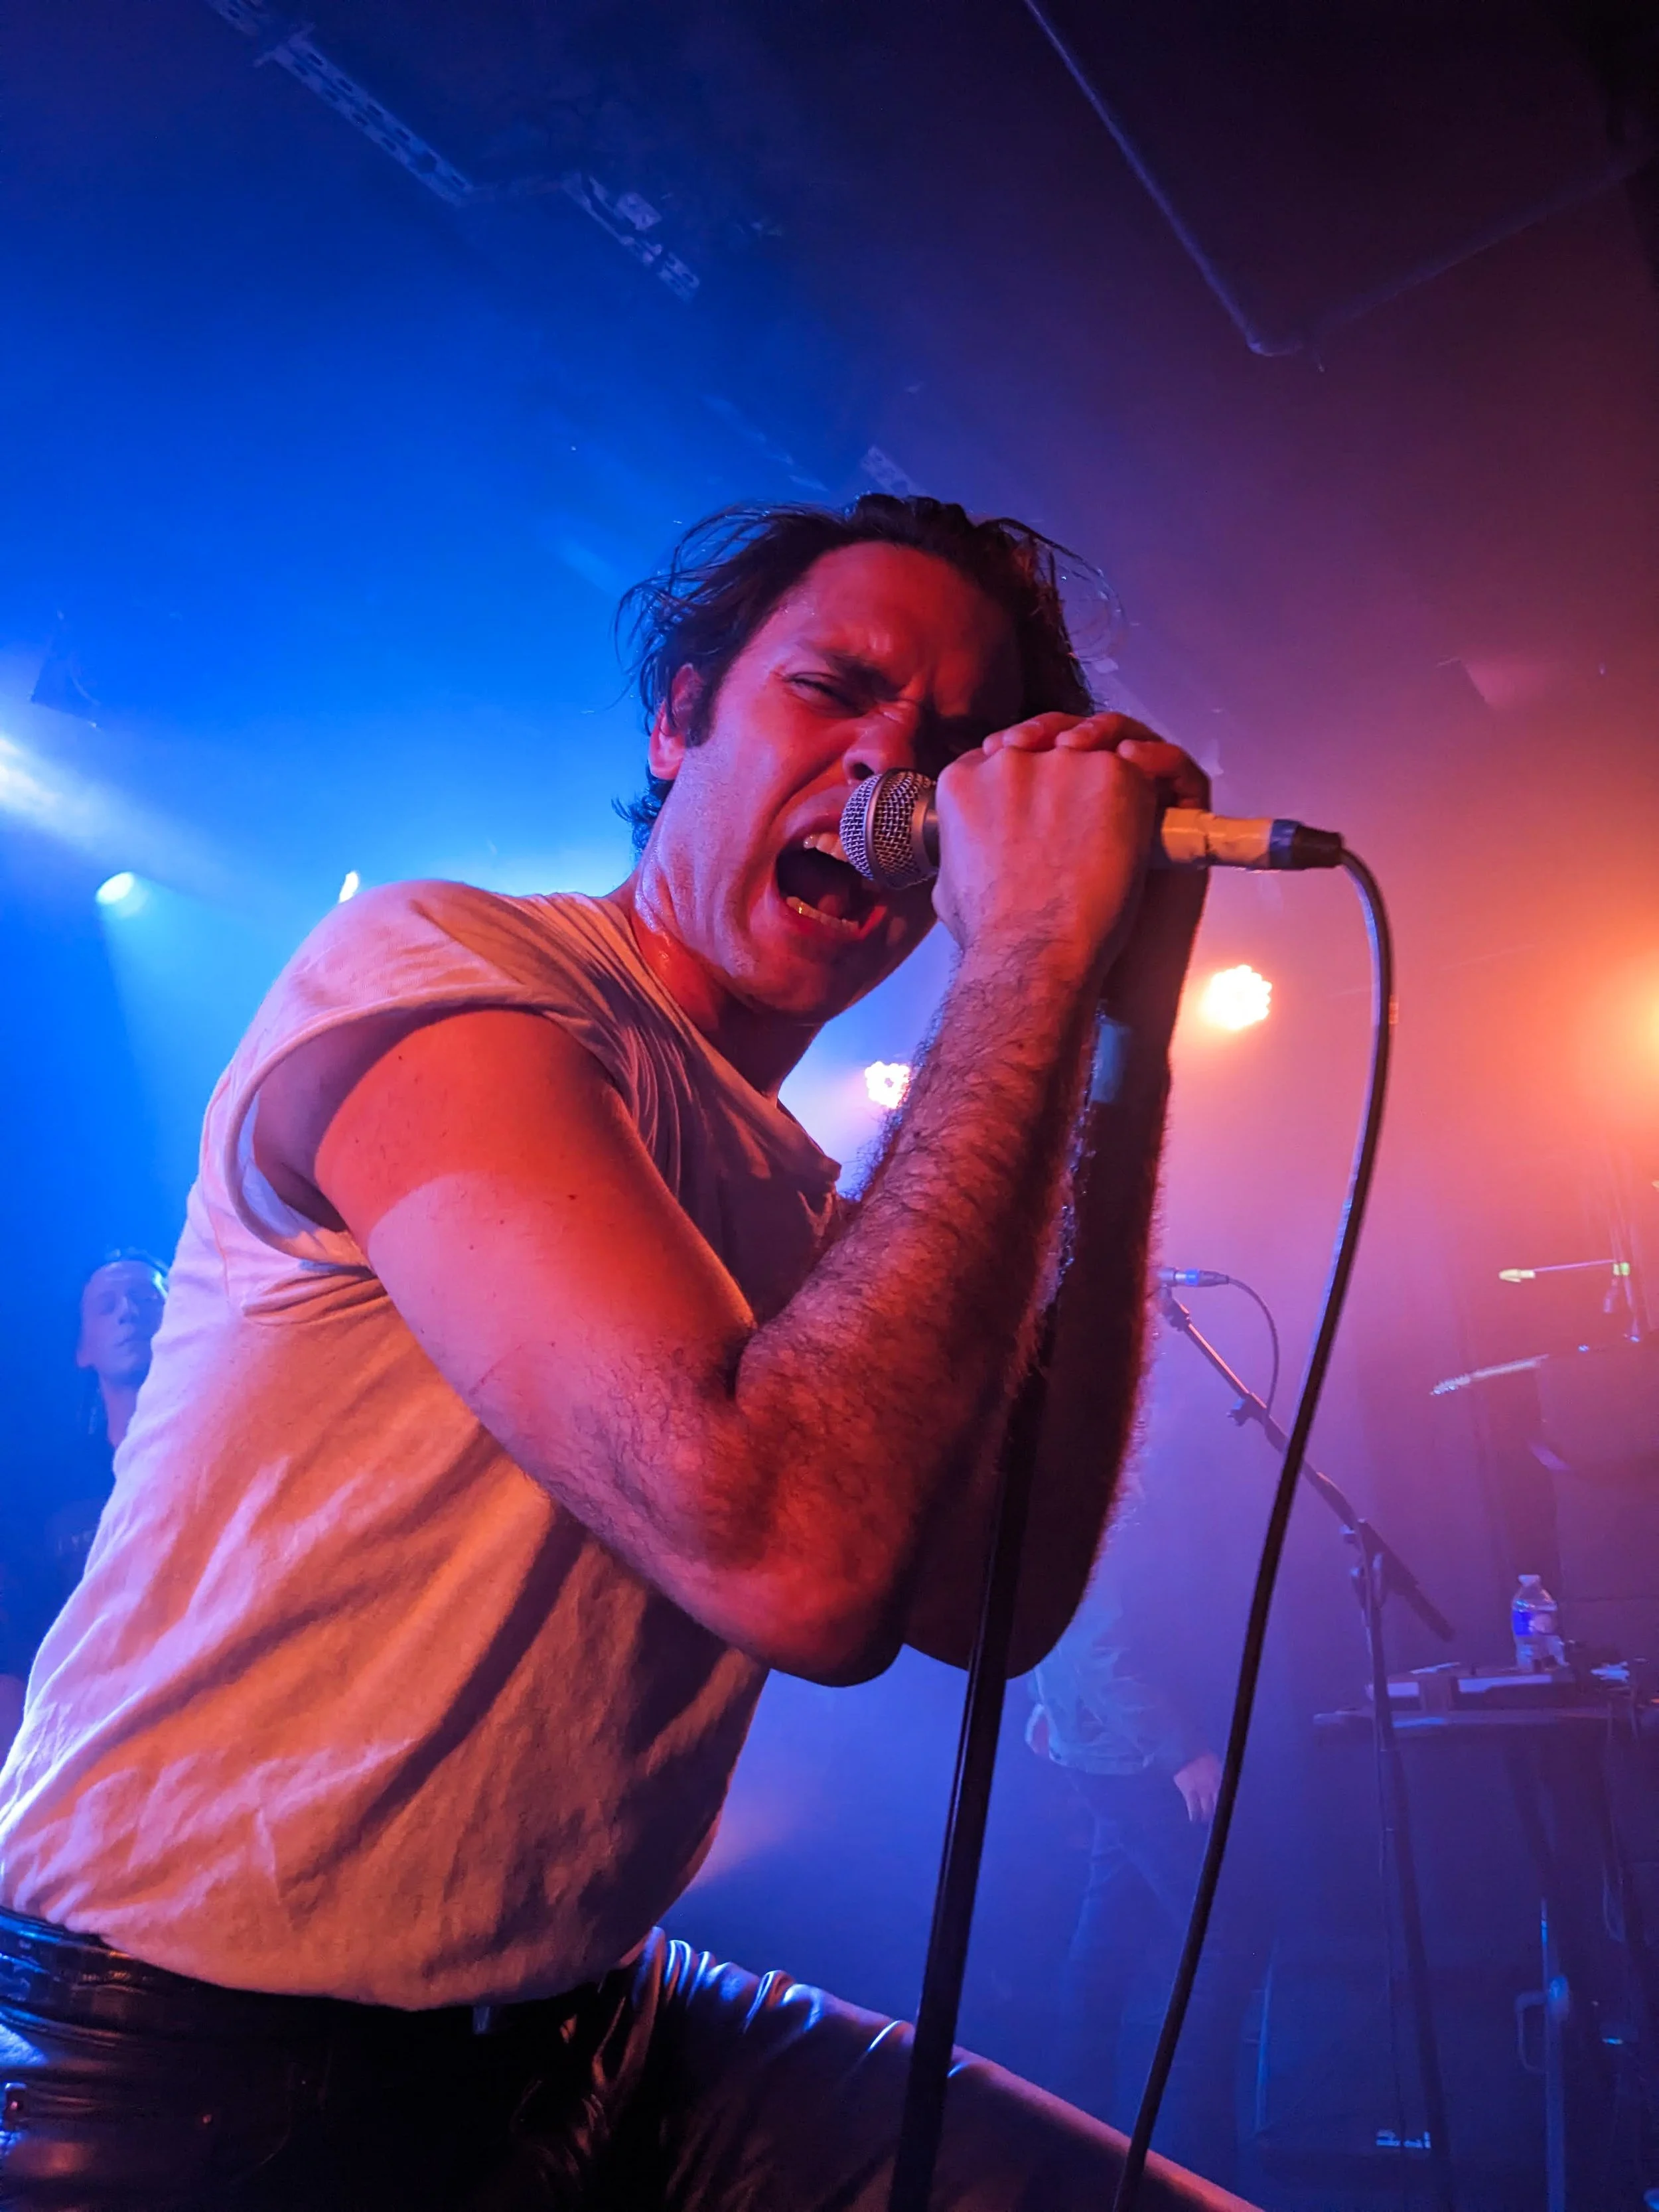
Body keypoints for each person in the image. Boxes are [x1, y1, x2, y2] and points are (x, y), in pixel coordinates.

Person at [0, 496, 1244, 2210]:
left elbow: (997, 1597)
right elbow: (789, 1554)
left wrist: (1119, 1037)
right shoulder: (446, 973)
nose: (892, 764)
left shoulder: (822, 1220)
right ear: (678, 720)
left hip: (596, 2020)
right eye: (835, 689)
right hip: (202, 2062)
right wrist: (1025, 956)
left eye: (952, 748)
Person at [1028, 1531, 1246, 2186]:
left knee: (1106, 1942)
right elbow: (1102, 1653)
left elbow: (1063, 1620)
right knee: (1222, 1940)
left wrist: (1049, 1702)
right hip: (1132, 1762)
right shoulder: (1122, 1508)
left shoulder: (1083, 1504)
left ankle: (1070, 2135)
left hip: (1105, 1753)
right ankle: (1195, 2161)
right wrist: (1182, 1752)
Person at [42, 1252, 169, 1603]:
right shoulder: (51, 1488)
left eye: (147, 1299)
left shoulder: (231, 1453)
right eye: (105, 1306)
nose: (128, 1312)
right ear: (83, 1350)